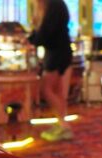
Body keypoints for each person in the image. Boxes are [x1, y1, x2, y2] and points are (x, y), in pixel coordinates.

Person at [28, 0, 73, 142]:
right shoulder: (56, 4)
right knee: (58, 92)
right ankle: (62, 125)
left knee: (46, 89)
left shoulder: (53, 5)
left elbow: (46, 33)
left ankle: (64, 125)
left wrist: (31, 40)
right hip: (60, 50)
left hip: (56, 52)